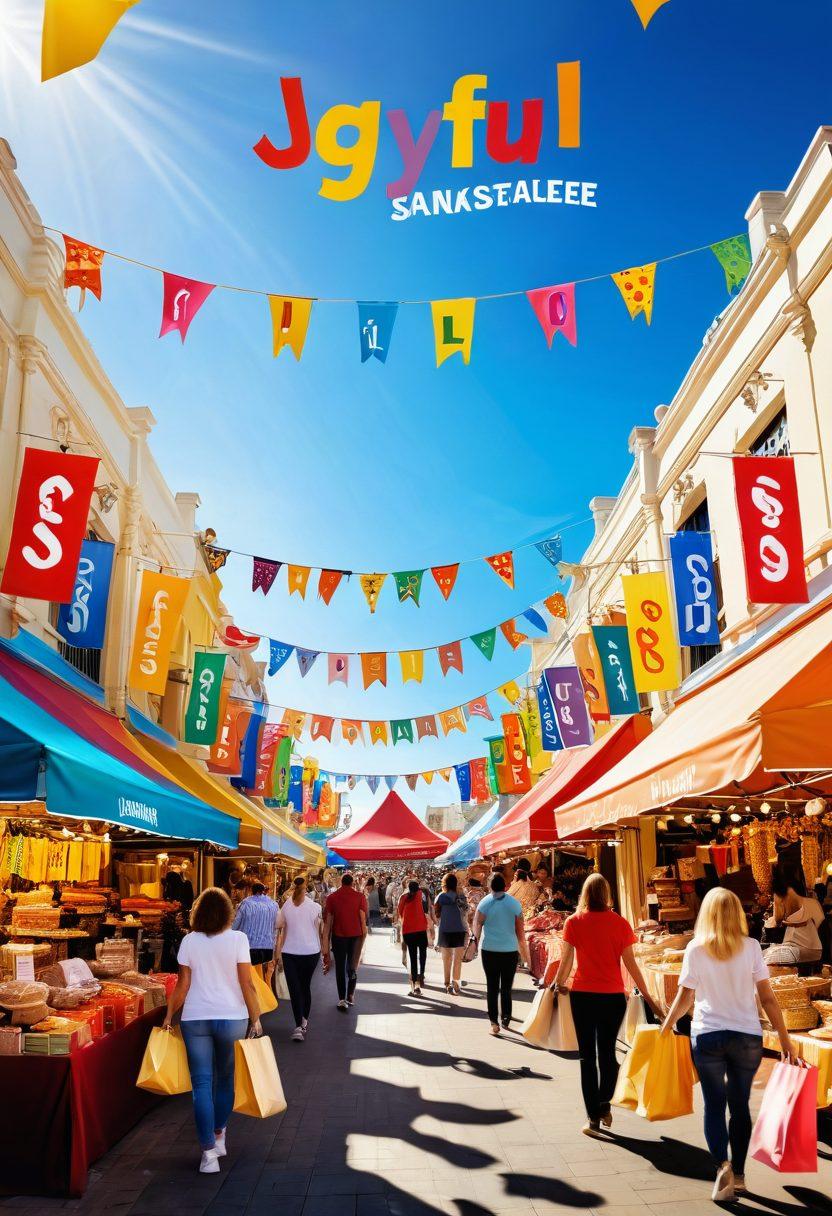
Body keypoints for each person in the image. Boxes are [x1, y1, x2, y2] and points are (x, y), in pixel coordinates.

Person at [662, 888, 797, 1202]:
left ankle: (720, 1163)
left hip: (708, 1035)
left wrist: (666, 1025)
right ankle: (738, 1174)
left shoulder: (696, 949)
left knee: (713, 1104)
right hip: (746, 1037)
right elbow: (767, 998)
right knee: (739, 1106)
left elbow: (685, 997)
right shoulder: (751, 947)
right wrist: (785, 1038)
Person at [552, 873, 661, 1138]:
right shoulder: (620, 924)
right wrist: (650, 998)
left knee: (587, 1057)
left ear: (585, 895)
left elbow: (566, 961)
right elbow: (631, 965)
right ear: (607, 894)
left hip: (583, 996)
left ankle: (593, 1118)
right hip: (613, 997)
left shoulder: (574, 922)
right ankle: (604, 1104)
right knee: (608, 1053)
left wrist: (558, 984)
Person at [163, 887, 261, 1174]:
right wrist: (255, 1017)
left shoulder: (189, 941)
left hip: (195, 1017)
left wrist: (169, 1015)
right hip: (232, 1017)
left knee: (201, 1084)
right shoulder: (238, 939)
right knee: (225, 1079)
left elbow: (182, 985)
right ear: (229, 913)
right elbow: (247, 984)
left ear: (199, 913)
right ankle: (219, 1133)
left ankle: (208, 1154)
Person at [473, 873, 528, 1034]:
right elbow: (521, 933)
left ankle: (493, 1023)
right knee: (506, 987)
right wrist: (525, 955)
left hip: (489, 950)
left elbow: (476, 928)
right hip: (509, 951)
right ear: (505, 886)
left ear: (490, 886)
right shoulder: (514, 904)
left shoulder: (484, 903)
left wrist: (473, 947)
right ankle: (506, 1018)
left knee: (492, 986)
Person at [276, 876, 323, 1042]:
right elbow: (319, 930)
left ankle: (299, 1025)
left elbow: (278, 924)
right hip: (311, 952)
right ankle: (303, 1022)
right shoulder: (315, 907)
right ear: (307, 889)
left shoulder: (287, 905)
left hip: (290, 952)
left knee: (295, 989)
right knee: (304, 987)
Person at [322, 873, 367, 1010]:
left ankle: (341, 998)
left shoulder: (332, 898)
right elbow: (362, 919)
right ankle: (351, 995)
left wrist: (325, 943)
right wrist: (364, 937)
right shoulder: (360, 897)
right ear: (352, 882)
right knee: (352, 965)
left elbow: (328, 922)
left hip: (338, 936)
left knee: (340, 968)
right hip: (355, 936)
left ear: (341, 882)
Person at [770, 865, 824, 967]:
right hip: (816, 948)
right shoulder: (805, 893)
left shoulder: (780, 894)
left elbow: (778, 919)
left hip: (800, 949)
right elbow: (819, 921)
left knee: (769, 957)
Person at [232, 881, 279, 969]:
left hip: (248, 947)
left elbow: (236, 924)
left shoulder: (246, 903)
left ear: (251, 891)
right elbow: (276, 927)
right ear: (263, 891)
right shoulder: (274, 905)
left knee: (250, 976)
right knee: (262, 977)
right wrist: (274, 945)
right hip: (268, 948)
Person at [434, 873, 468, 993]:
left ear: (444, 884)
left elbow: (436, 915)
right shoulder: (461, 897)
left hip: (445, 930)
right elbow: (465, 911)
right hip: (459, 930)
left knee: (446, 959)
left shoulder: (440, 897)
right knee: (457, 960)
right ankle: (456, 983)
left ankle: (447, 984)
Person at [399, 879, 433, 995]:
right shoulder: (421, 894)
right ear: (418, 887)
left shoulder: (404, 897)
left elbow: (399, 912)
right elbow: (427, 908)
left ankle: (414, 984)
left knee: (413, 957)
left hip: (408, 930)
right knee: (422, 954)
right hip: (421, 929)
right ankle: (421, 975)